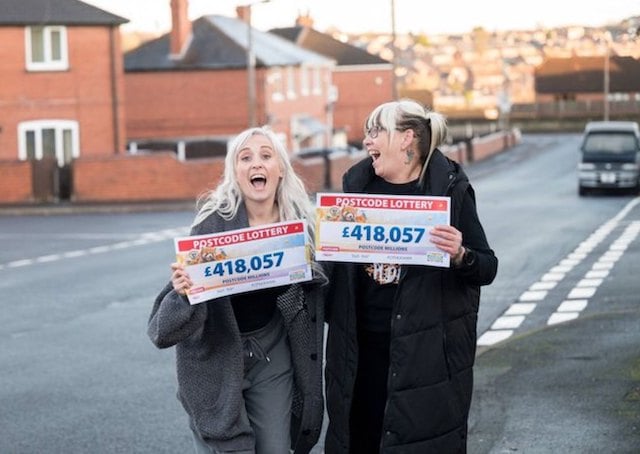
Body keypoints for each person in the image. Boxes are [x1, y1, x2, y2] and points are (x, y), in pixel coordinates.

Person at [323, 99, 498, 453]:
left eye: (376, 132)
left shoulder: (451, 189)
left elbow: (487, 266)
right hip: (361, 351)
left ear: (405, 139)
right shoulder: (355, 189)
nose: (367, 141)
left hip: (425, 354)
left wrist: (460, 255)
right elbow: (336, 271)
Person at [148, 126, 327, 454]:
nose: (256, 163)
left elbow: (329, 287)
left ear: (281, 170)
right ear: (235, 172)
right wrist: (183, 291)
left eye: (266, 155)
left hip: (271, 348)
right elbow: (161, 332)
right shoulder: (212, 225)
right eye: (245, 158)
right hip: (217, 353)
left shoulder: (301, 227)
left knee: (276, 448)